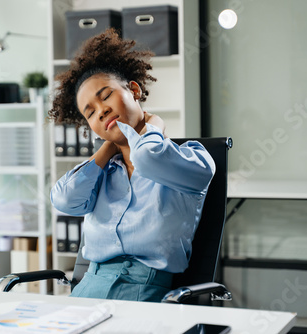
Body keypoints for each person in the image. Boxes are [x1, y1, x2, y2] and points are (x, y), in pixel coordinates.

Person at [48, 28, 216, 302]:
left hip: (145, 294)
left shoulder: (192, 160)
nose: (100, 110)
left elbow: (148, 156)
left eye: (105, 96)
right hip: (87, 290)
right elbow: (64, 199)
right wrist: (109, 145)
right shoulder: (101, 175)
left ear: (134, 90)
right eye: (90, 112)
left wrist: (154, 123)